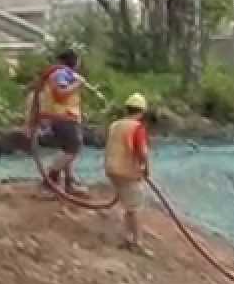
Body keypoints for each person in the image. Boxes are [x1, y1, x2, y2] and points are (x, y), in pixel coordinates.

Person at [33, 49, 105, 195]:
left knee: (68, 150)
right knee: (72, 148)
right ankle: (49, 181)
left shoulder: (65, 74)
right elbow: (60, 94)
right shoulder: (60, 73)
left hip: (65, 117)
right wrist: (78, 84)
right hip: (63, 118)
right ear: (73, 61)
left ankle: (69, 183)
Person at [105, 93, 152, 255]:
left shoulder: (115, 125)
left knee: (128, 205)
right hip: (128, 171)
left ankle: (127, 238)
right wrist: (146, 168)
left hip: (111, 169)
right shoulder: (137, 127)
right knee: (135, 208)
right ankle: (137, 242)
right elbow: (142, 152)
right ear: (142, 111)